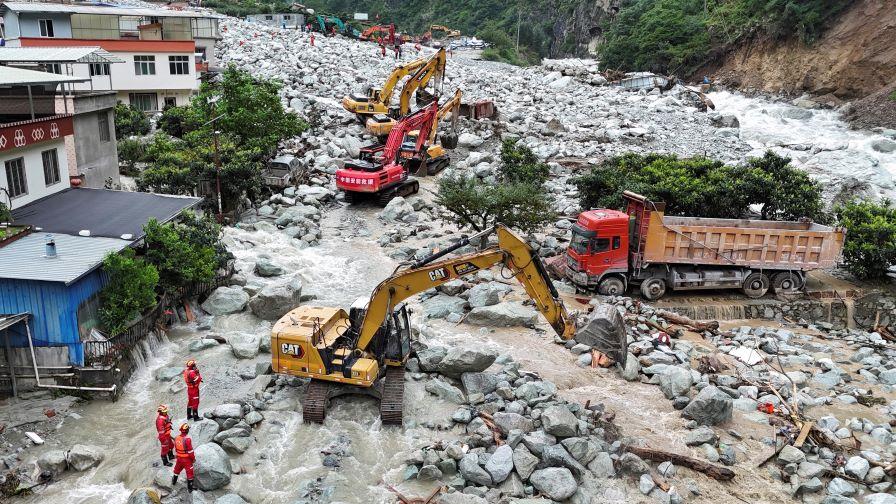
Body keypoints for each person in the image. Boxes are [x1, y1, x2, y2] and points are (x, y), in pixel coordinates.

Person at [171, 423, 195, 492]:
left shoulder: (177, 438)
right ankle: (190, 488)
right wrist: (193, 459)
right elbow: (190, 452)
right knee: (189, 473)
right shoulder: (187, 439)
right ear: (187, 431)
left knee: (177, 470)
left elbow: (176, 449)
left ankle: (174, 481)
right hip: (186, 459)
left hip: (179, 458)